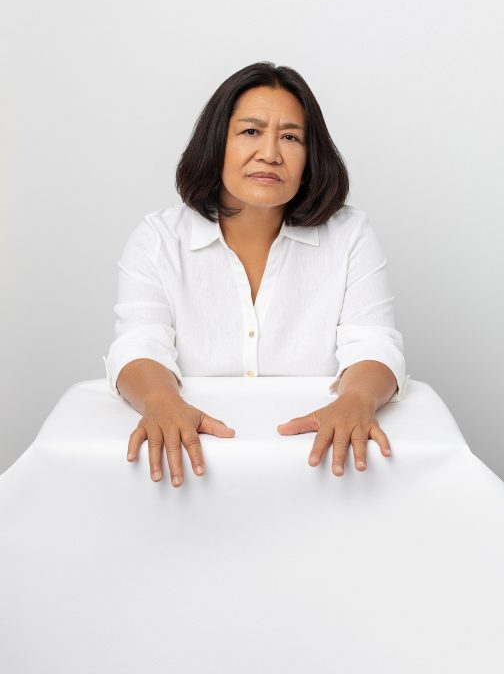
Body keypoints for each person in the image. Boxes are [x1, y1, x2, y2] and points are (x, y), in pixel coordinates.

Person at [103, 61, 408, 488]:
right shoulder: (157, 239)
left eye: (290, 137)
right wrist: (158, 400)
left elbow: (372, 342)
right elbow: (139, 342)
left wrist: (357, 399)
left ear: (309, 155)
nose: (270, 153)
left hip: (313, 467)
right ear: (217, 143)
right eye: (250, 131)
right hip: (195, 468)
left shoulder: (349, 234)